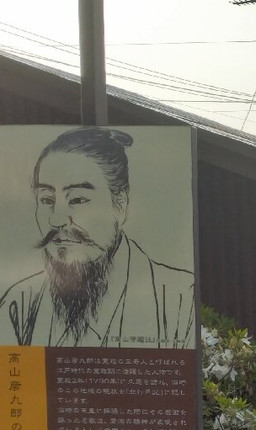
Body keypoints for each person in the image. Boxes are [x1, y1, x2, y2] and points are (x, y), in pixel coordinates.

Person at [0, 127, 195, 349]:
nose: (57, 220)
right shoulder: (19, 304)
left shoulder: (180, 299)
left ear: (120, 205)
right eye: (46, 199)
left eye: (78, 199)